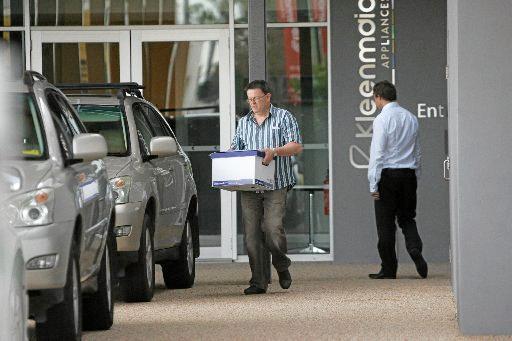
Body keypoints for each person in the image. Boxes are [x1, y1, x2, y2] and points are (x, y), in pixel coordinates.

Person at [231, 80, 303, 295]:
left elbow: (296, 146)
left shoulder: (284, 117)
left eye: (256, 98)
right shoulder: (243, 123)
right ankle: (258, 282)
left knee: (272, 230)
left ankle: (281, 265)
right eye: (249, 99)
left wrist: (275, 151)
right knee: (252, 237)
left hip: (276, 184)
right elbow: (236, 148)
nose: (252, 102)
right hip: (250, 187)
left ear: (268, 97)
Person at [367, 80, 428, 279]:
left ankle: (389, 268)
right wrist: (415, 175)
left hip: (388, 176)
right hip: (408, 175)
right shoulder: (411, 118)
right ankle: (414, 248)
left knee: (385, 224)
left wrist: (373, 182)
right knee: (407, 218)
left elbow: (377, 154)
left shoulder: (382, 119)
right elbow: (417, 152)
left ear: (378, 96)